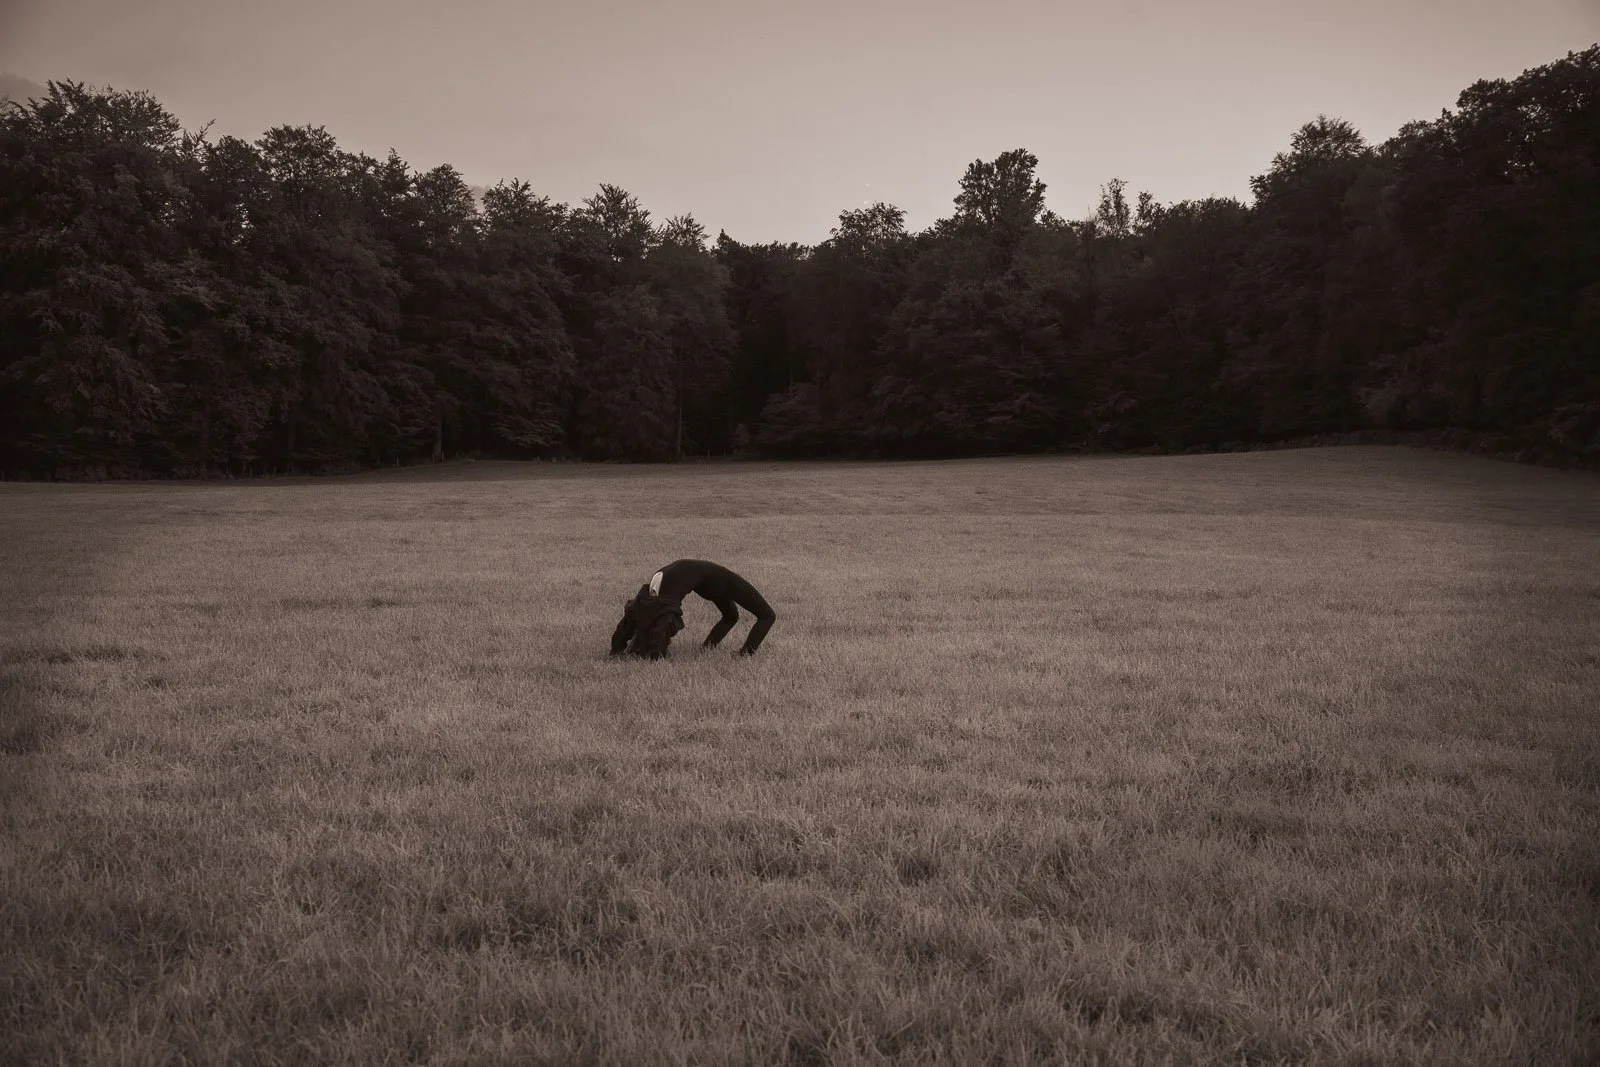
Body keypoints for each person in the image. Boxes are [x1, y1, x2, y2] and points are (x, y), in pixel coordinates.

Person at [610, 559, 777, 658]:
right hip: (683, 574)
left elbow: (730, 618)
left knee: (730, 617)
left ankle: (707, 648)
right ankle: (745, 654)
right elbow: (766, 616)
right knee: (768, 615)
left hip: (670, 571)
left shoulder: (721, 586)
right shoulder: (730, 583)